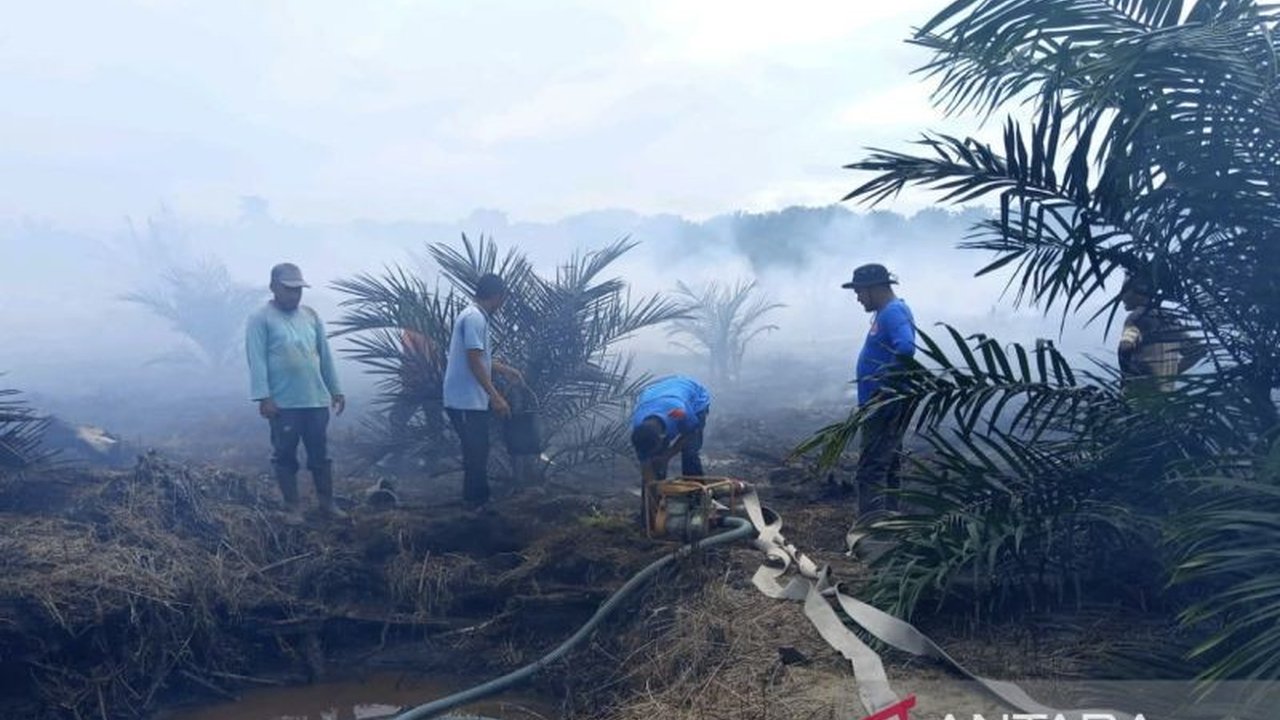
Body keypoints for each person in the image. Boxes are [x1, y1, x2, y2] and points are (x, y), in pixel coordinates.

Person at [246, 262, 347, 523]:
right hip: (283, 403)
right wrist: (264, 397)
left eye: (298, 290)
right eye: (288, 289)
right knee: (285, 455)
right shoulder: (260, 319)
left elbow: (324, 355)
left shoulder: (311, 316)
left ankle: (327, 503)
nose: (294, 295)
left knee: (320, 455)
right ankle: (292, 507)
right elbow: (256, 360)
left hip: (315, 399)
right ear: (273, 287)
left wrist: (335, 390)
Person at [442, 273, 524, 508]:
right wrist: (496, 397)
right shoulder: (474, 318)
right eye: (503, 299)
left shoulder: (475, 317)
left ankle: (477, 501)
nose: (502, 305)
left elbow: (480, 357)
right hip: (464, 400)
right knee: (476, 452)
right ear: (497, 296)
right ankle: (476, 503)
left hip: (468, 399)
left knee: (478, 450)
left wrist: (505, 369)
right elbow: (474, 361)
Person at [843, 263, 915, 519]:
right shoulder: (885, 312)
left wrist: (885, 387)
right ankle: (890, 522)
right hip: (883, 401)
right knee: (889, 462)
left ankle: (869, 528)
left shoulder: (893, 312)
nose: (858, 297)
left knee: (871, 468)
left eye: (860, 291)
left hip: (885, 403)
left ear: (876, 288)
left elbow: (906, 347)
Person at [630, 375, 712, 521]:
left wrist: (667, 455)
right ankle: (649, 514)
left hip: (694, 398)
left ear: (663, 437)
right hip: (658, 395)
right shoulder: (639, 427)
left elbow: (689, 434)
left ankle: (698, 503)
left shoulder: (680, 413)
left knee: (690, 454)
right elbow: (646, 468)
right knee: (656, 464)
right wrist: (652, 496)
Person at [1117, 274, 1204, 392]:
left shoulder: (1137, 318)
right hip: (1166, 398)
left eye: (1124, 290)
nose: (1122, 296)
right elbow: (1199, 350)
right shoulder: (1171, 320)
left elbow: (1125, 347)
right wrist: (1170, 373)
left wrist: (1125, 378)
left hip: (1141, 398)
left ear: (1138, 290)